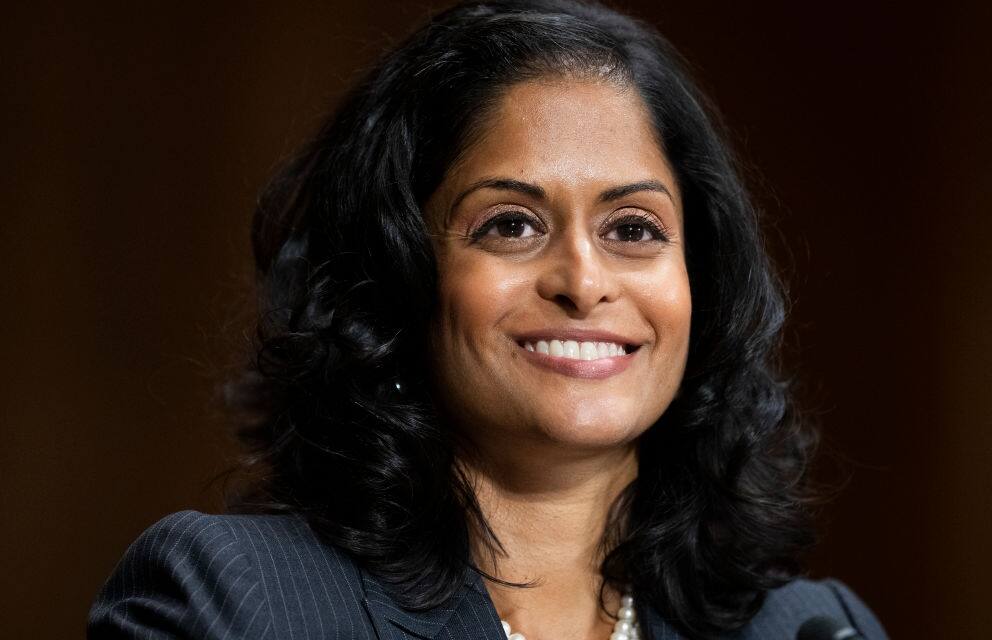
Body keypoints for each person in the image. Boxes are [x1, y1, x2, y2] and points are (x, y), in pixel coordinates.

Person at [88, 1, 888, 638]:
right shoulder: (234, 603)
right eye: (511, 224)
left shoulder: (810, 630)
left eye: (634, 230)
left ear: (700, 285)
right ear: (397, 276)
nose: (583, 280)